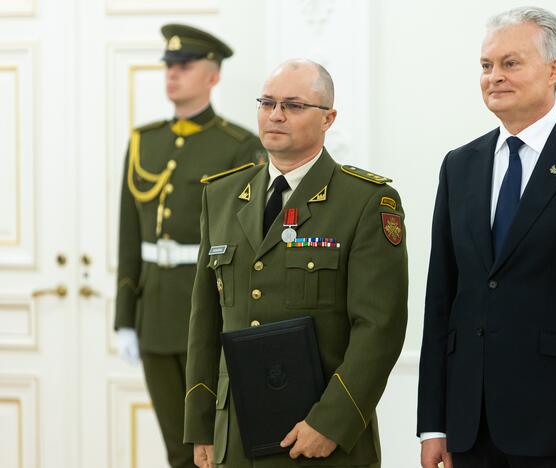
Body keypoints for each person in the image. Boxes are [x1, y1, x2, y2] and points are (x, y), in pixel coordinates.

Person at [417, 7, 556, 468]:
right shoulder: (459, 166)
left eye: (510, 63)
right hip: (469, 429)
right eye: (486, 66)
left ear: (554, 68)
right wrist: (434, 423)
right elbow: (442, 300)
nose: (493, 77)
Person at [183, 59, 408, 468]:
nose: (276, 115)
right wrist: (202, 424)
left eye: (293, 105)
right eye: (267, 102)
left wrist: (332, 423)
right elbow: (205, 320)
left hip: (321, 439)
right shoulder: (220, 195)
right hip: (235, 438)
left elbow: (380, 328)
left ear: (329, 118)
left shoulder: (365, 201)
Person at [113, 23, 264, 468]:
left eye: (184, 65)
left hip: (212, 315)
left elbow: (247, 242)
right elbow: (128, 232)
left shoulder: (240, 146)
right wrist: (125, 315)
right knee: (177, 451)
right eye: (168, 66)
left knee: (216, 444)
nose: (172, 74)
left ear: (213, 75)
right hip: (155, 314)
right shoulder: (144, 141)